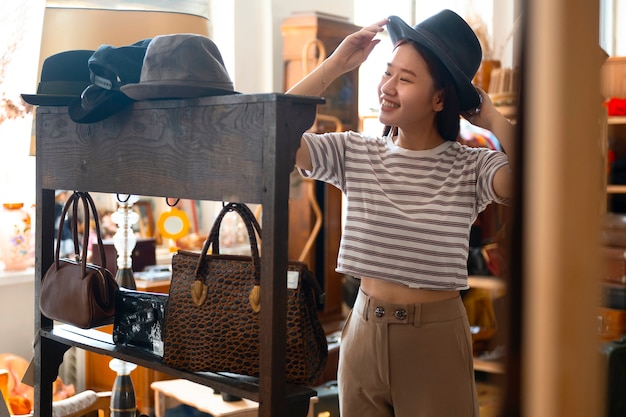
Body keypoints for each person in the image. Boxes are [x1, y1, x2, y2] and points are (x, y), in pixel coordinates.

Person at [286, 9, 515, 417]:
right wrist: (336, 65)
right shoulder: (355, 153)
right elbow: (273, 138)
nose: (387, 88)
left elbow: (543, 182)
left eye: (404, 79)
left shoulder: (472, 166)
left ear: (440, 98)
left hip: (435, 342)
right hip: (362, 333)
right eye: (387, 73)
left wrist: (494, 117)